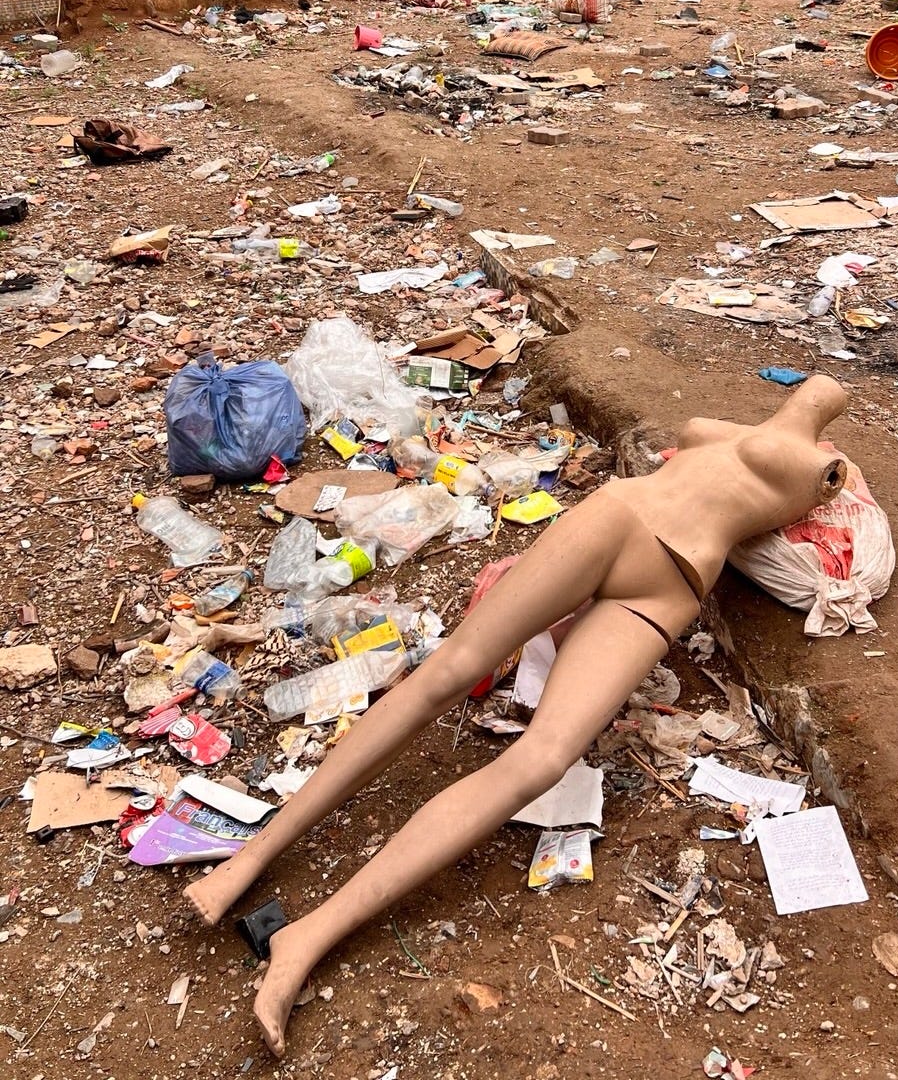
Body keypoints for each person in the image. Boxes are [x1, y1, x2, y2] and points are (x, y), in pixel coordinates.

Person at [185, 375, 849, 1056]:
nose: (821, 393)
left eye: (828, 395)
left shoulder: (823, 467)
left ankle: (309, 936)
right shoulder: (737, 435)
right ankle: (255, 853)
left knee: (543, 759)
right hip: (619, 517)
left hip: (669, 588)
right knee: (447, 671)